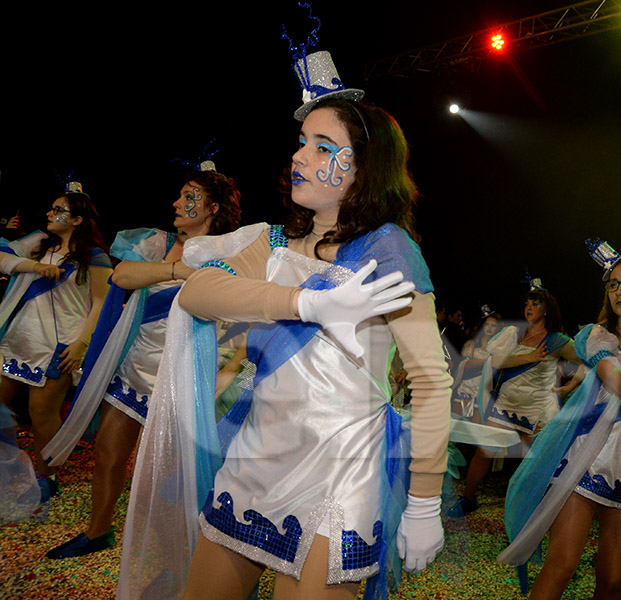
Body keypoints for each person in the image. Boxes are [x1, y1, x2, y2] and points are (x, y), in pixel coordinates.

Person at [117, 50, 451, 600]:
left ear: (364, 167)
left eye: (323, 147)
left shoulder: (390, 251)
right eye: (302, 143)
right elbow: (197, 292)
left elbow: (433, 382)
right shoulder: (272, 241)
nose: (301, 157)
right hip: (253, 460)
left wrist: (424, 501)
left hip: (339, 476)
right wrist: (309, 303)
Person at [43, 164, 243, 558]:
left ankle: (180, 552)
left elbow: (247, 321)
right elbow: (122, 277)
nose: (177, 202)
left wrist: (229, 370)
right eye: (181, 194)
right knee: (108, 453)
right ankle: (98, 531)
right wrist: (177, 270)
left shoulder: (233, 253)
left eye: (190, 196)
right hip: (136, 367)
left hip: (185, 375)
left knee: (175, 474)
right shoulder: (157, 241)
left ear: (214, 208)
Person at [498, 243, 621, 600]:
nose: (619, 290)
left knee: (612, 581)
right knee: (561, 565)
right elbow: (610, 374)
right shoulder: (597, 335)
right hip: (583, 460)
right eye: (613, 284)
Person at [0, 187, 111, 500]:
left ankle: (46, 478)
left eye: (59, 209)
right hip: (19, 340)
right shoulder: (36, 244)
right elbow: (2, 258)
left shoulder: (94, 256)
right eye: (51, 208)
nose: (50, 213)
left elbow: (101, 304)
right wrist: (34, 266)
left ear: (77, 219)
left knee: (42, 416)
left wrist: (81, 345)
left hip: (59, 346)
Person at [454, 284, 580, 515]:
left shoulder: (557, 340)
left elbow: (586, 362)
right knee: (484, 451)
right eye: (527, 303)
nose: (529, 307)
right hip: (506, 403)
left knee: (530, 462)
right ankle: (468, 499)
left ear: (547, 310)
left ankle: (526, 512)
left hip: (536, 408)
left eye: (535, 304)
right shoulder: (514, 332)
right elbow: (496, 362)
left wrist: (569, 387)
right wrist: (528, 357)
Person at [452, 305, 503, 421]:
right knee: (456, 427)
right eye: (487, 324)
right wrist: (487, 361)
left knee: (476, 430)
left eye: (493, 325)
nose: (489, 328)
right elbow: (465, 365)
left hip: (483, 395)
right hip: (465, 391)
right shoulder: (472, 345)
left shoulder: (498, 351)